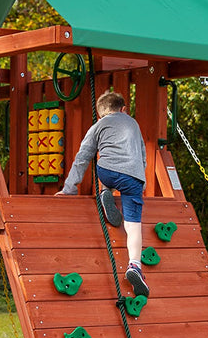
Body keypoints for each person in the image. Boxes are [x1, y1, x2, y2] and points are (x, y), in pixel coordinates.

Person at [58, 88, 149, 298]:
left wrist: (68, 189)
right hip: (133, 177)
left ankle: (105, 193)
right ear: (124, 110)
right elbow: (142, 153)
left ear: (100, 113)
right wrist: (141, 182)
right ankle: (134, 266)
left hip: (106, 171)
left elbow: (82, 157)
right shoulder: (133, 123)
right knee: (133, 225)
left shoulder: (98, 125)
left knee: (107, 169)